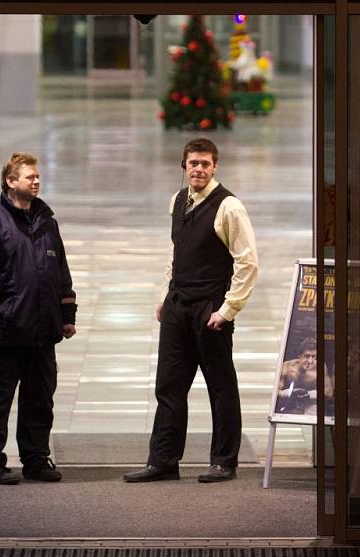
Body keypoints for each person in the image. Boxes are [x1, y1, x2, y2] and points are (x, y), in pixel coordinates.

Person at [123, 138, 258, 483]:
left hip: (210, 310)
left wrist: (228, 310)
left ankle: (224, 461)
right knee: (168, 385)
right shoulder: (179, 200)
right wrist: (164, 295)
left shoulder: (229, 207)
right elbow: (176, 253)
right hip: (177, 306)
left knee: (220, 386)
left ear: (215, 167)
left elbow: (248, 263)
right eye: (193, 163)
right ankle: (163, 460)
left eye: (205, 164)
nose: (198, 169)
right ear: (184, 166)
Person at [0, 152, 77, 485]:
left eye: (37, 177)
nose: (36, 181)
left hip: (42, 332)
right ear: (10, 181)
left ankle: (35, 459)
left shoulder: (48, 221)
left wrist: (67, 314)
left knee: (39, 400)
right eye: (29, 176)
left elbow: (61, 271)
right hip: (6, 333)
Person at [275, 337, 333, 416]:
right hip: (289, 405)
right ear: (299, 355)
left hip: (310, 405)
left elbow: (329, 392)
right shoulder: (287, 367)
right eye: (307, 356)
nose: (310, 361)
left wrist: (309, 395)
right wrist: (290, 393)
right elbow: (275, 391)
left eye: (313, 356)